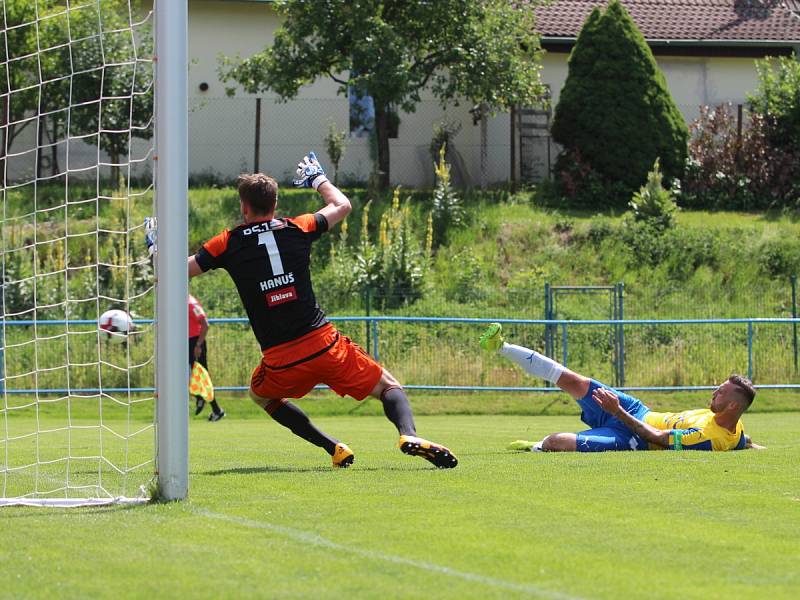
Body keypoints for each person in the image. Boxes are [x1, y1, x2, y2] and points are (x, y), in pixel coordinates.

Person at [187, 153, 457, 469]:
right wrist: (318, 179)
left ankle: (333, 448)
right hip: (324, 344)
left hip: (280, 360)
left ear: (244, 207)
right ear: (274, 205)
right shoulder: (298, 226)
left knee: (261, 397)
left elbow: (183, 271)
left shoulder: (227, 242)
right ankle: (407, 434)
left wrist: (157, 251)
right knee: (388, 387)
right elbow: (342, 206)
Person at [479, 322, 766, 452]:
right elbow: (741, 438)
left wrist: (616, 412)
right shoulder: (732, 429)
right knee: (574, 380)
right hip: (635, 410)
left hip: (635, 437)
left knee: (556, 442)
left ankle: (535, 446)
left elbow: (659, 438)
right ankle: (501, 346)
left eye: (722, 392)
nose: (715, 391)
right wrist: (757, 446)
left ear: (732, 405)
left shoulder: (707, 438)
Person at [189, 294, 225, 421]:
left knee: (202, 376)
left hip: (195, 342)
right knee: (191, 375)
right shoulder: (178, 302)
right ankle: (204, 402)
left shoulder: (190, 303)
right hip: (186, 342)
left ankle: (213, 408)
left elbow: (205, 324)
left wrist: (198, 345)